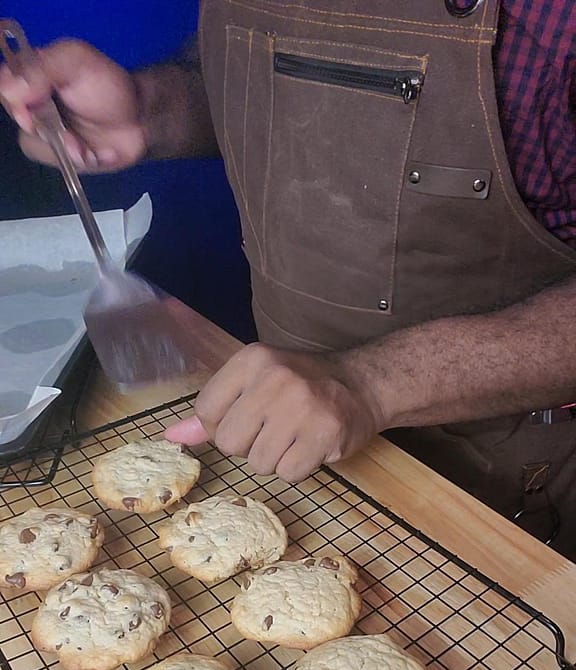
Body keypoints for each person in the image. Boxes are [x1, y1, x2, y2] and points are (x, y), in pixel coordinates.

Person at [2, 0, 575, 556]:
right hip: (281, 441)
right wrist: (157, 107)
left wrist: (371, 384)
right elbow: (279, 76)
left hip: (503, 491)